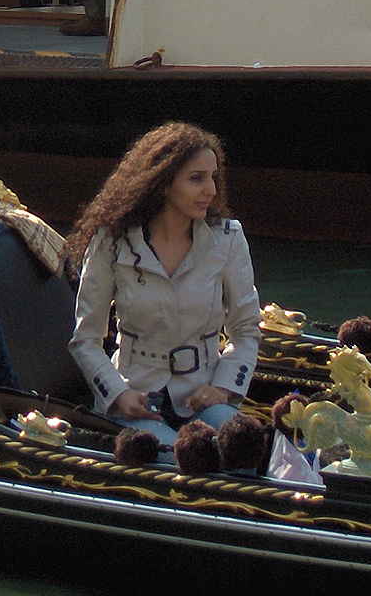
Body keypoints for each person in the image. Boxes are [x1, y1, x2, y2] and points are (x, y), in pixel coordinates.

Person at [66, 122, 261, 452]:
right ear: (163, 184)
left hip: (204, 398)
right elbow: (86, 340)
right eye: (196, 178)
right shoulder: (111, 242)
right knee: (175, 459)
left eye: (213, 177)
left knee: (245, 451)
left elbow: (246, 330)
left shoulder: (228, 239)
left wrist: (223, 389)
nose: (211, 190)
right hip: (136, 399)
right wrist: (118, 394)